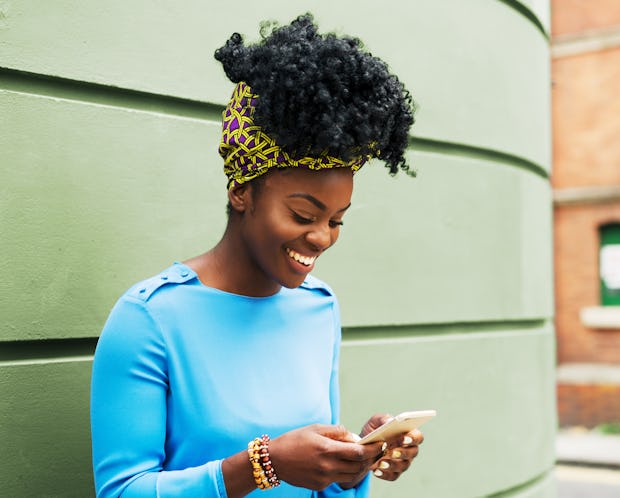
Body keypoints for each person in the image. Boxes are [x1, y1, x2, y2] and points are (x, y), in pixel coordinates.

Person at [90, 13, 421, 498]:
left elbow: (316, 485)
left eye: (336, 220)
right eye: (303, 215)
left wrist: (354, 461)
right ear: (243, 192)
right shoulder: (150, 319)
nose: (322, 238)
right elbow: (120, 491)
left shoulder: (320, 308)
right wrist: (263, 464)